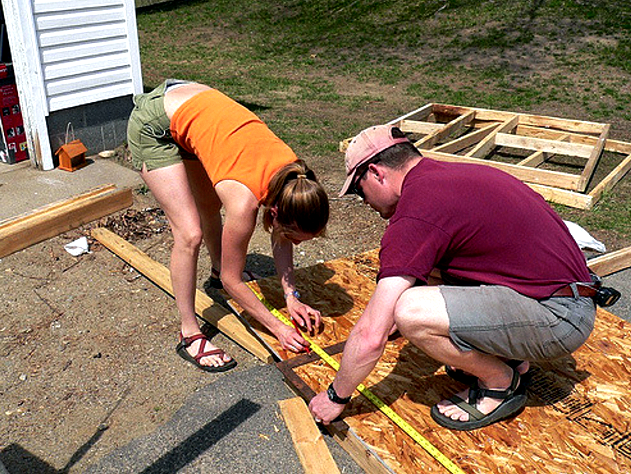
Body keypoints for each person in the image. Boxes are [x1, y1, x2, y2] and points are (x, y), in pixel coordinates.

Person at [309, 124, 596, 431]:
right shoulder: (452, 178)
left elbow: (369, 337)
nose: (362, 200)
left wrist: (336, 397)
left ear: (377, 173)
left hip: (560, 319)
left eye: (357, 188)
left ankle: (500, 381)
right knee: (423, 278)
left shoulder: (417, 212)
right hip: (567, 298)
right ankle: (512, 359)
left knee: (410, 311)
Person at [127, 79, 329, 372]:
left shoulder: (293, 178)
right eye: (294, 237)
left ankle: (216, 268)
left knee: (210, 207)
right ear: (274, 213)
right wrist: (277, 327)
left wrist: (291, 296)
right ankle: (189, 333)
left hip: (193, 107)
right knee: (189, 234)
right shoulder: (243, 202)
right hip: (155, 124)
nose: (294, 244)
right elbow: (232, 283)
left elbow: (282, 236)